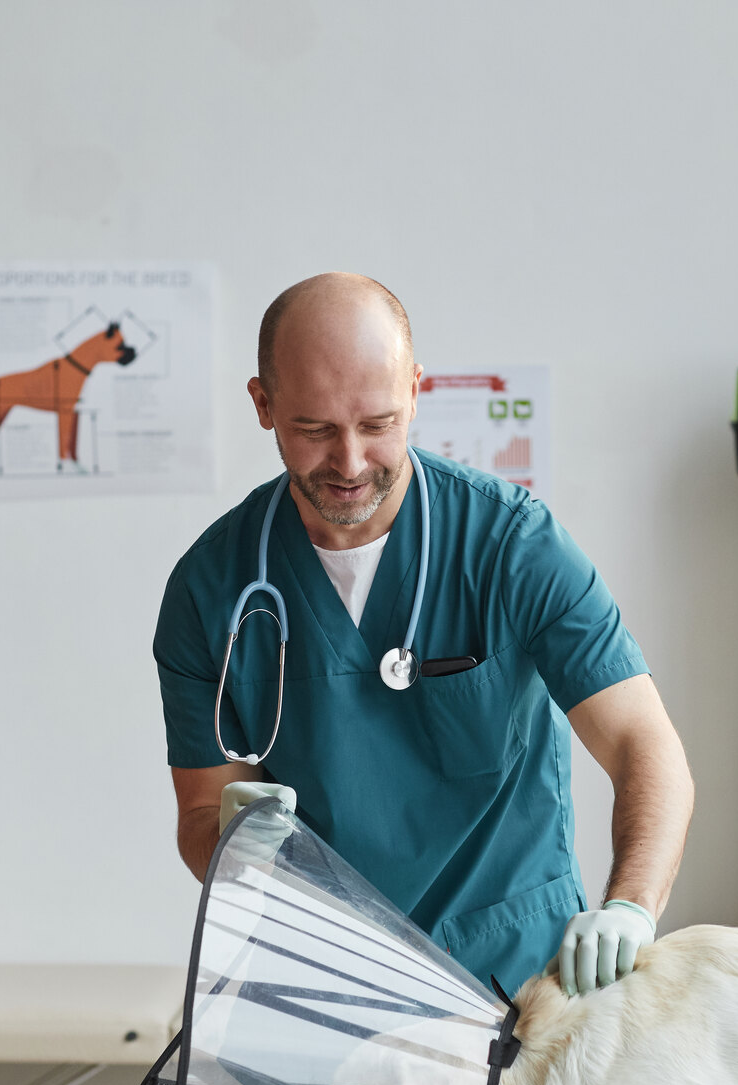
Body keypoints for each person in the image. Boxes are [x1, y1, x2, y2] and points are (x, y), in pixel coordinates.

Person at [154, 273, 695, 995]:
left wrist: (631, 906)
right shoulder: (211, 589)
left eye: (377, 425)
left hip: (519, 979)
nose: (349, 464)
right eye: (314, 430)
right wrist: (240, 852)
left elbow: (643, 744)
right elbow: (201, 809)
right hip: (329, 983)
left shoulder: (510, 546)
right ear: (264, 404)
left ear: (414, 391)